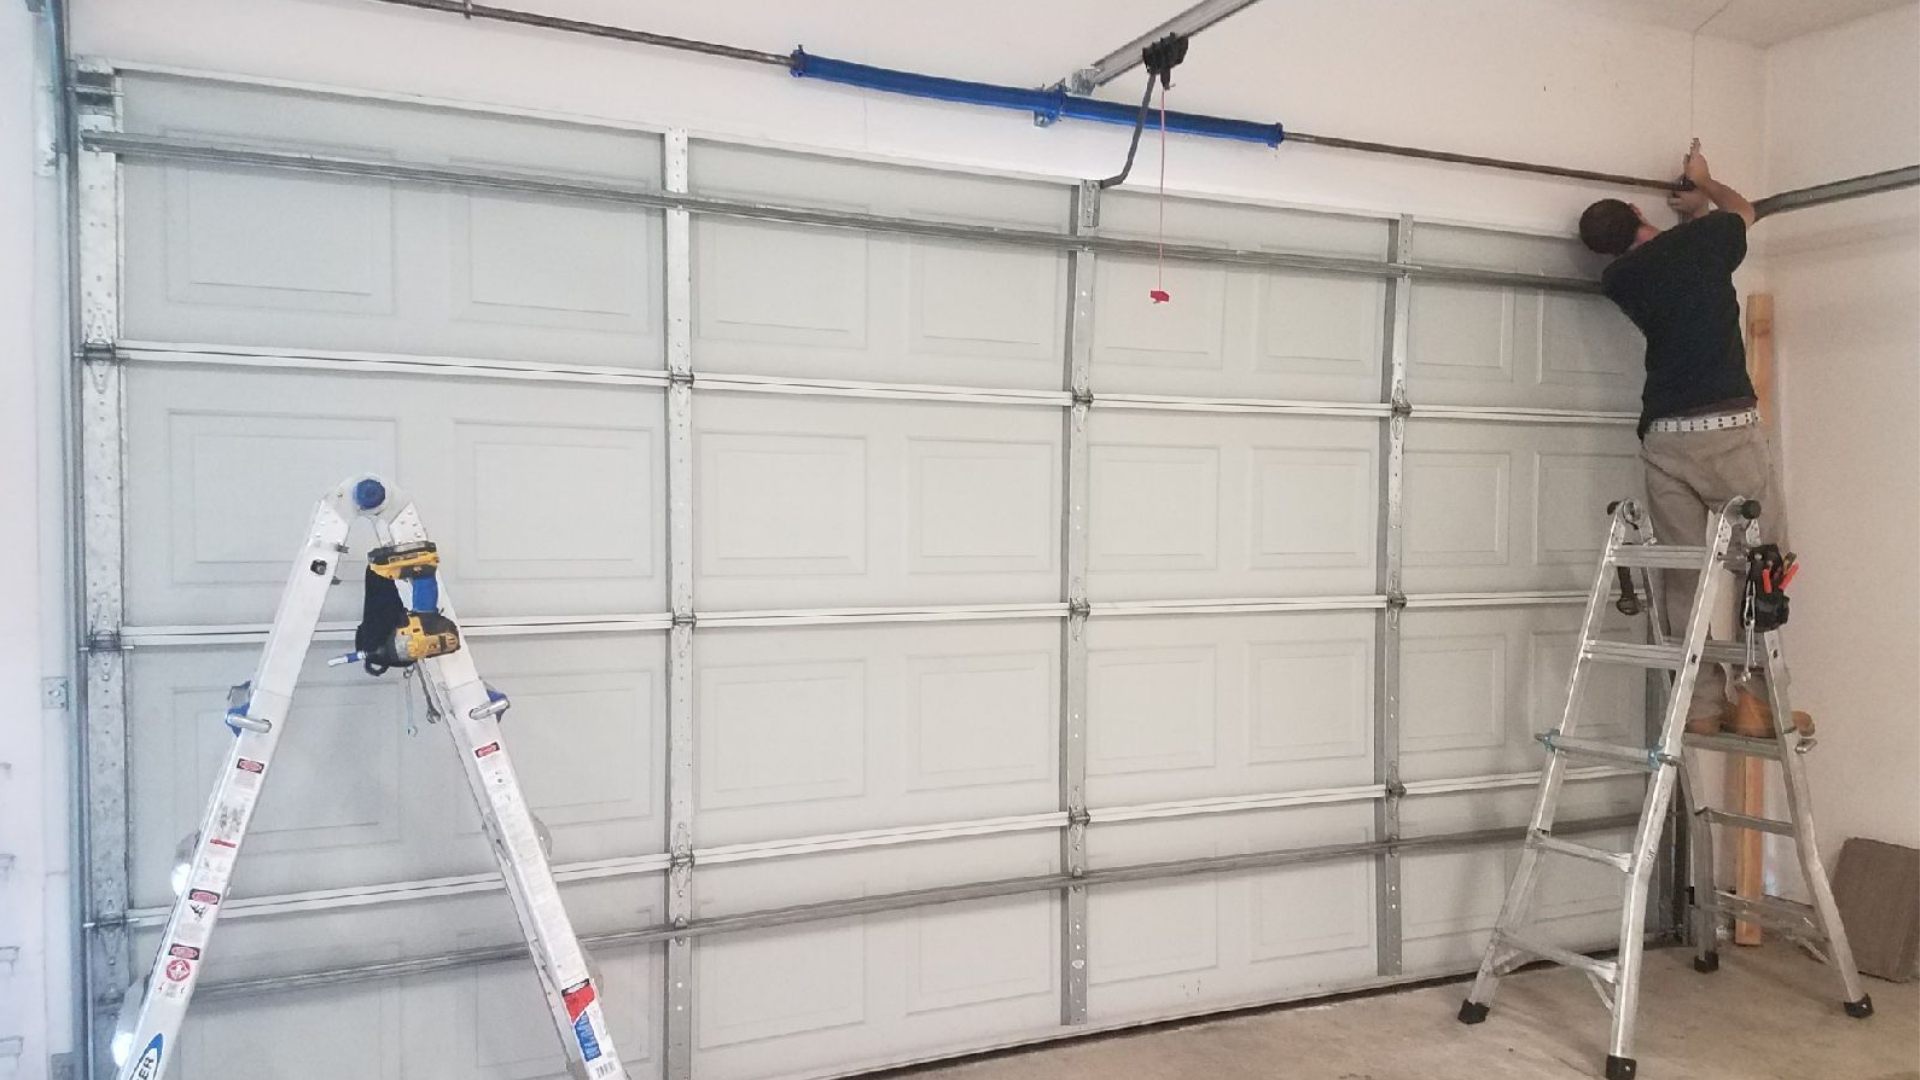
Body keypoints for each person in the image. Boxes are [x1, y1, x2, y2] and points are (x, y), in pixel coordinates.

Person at [1577, 140, 1801, 738]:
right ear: (1635, 208)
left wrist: (1692, 216)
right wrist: (1708, 182)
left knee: (1685, 576)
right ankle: (1758, 704)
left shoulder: (1620, 279)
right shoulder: (1702, 243)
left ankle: (1701, 709)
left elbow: (1681, 263)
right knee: (1764, 562)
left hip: (1665, 440)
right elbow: (1745, 209)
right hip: (1726, 432)